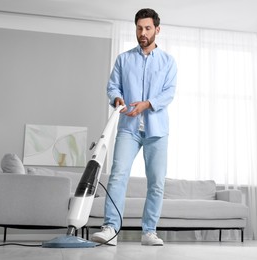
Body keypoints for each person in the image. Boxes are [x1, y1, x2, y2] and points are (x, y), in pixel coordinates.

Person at [91, 8, 177, 246]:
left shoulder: (168, 62)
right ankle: (110, 228)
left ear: (157, 30)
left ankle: (149, 231)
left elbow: (169, 92)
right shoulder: (124, 59)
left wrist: (148, 104)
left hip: (157, 130)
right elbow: (113, 87)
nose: (143, 33)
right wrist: (117, 99)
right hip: (128, 127)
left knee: (157, 181)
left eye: (148, 28)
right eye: (139, 28)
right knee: (118, 176)